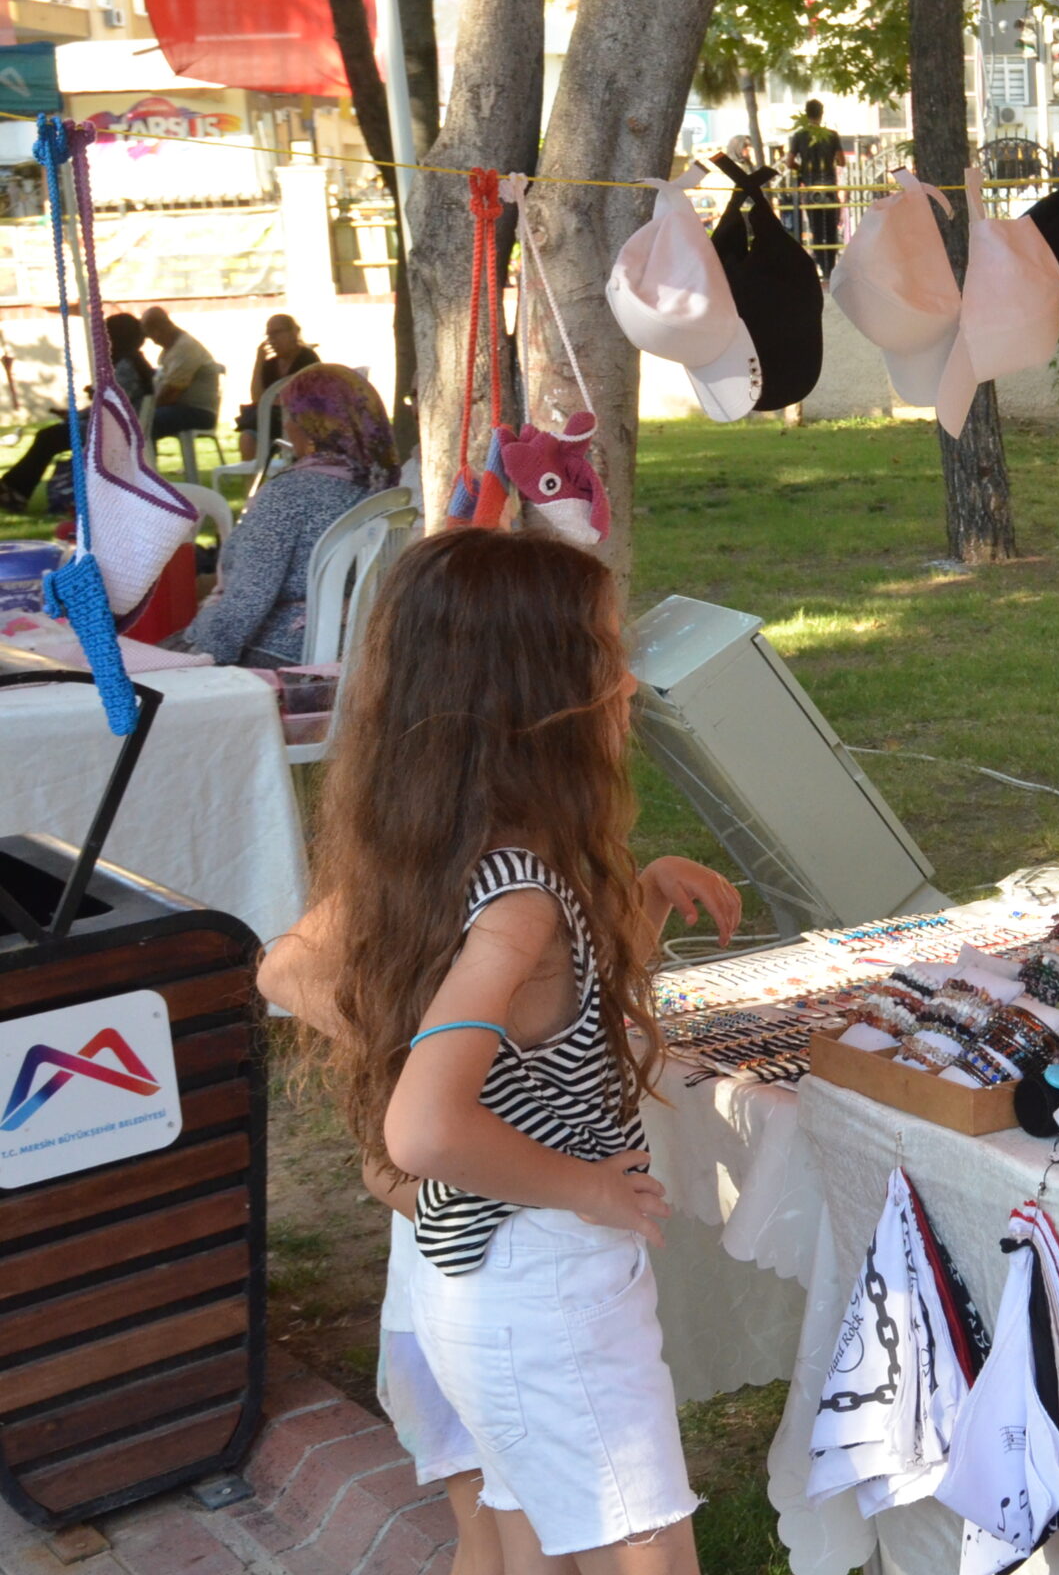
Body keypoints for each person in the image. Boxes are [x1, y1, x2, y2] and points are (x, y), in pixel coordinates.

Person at [258, 526, 741, 1574]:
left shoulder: (440, 851)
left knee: (535, 1537)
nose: (627, 686)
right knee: (642, 1542)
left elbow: (538, 1038)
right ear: (540, 699)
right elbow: (426, 1127)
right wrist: (584, 1188)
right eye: (604, 658)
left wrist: (640, 901)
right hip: (546, 1285)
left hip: (491, 1284)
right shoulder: (520, 899)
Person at [166, 364, 398, 668]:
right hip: (364, 648)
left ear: (310, 425)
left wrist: (191, 652)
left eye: (290, 415)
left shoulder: (290, 495)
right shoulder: (385, 487)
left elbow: (245, 606)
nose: (285, 425)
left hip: (282, 653)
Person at [0, 312, 150, 513]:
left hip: (113, 431)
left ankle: (15, 491)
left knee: (48, 437)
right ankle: (14, 488)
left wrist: (79, 414)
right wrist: (76, 415)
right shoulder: (133, 363)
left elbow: (108, 405)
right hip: (114, 426)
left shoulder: (126, 367)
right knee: (49, 436)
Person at [235, 313, 320, 455]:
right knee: (247, 437)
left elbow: (307, 396)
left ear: (294, 332)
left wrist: (273, 402)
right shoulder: (270, 365)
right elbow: (257, 398)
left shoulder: (307, 359)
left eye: (277, 333)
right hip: (271, 421)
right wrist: (259, 363)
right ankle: (253, 476)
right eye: (269, 335)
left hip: (298, 422)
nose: (272, 340)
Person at [139, 305, 220, 440]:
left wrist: (145, 411)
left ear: (158, 329)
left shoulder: (185, 348)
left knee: (146, 422)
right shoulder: (172, 348)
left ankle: (145, 460)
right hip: (180, 409)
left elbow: (170, 394)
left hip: (198, 412)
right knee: (139, 419)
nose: (151, 340)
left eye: (149, 334)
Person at [786, 98, 844, 273]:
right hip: (829, 188)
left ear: (806, 113)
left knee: (817, 229)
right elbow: (842, 161)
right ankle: (830, 267)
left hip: (811, 189)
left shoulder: (799, 136)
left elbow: (789, 162)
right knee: (831, 228)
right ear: (821, 113)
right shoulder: (832, 135)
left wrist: (802, 169)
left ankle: (821, 265)